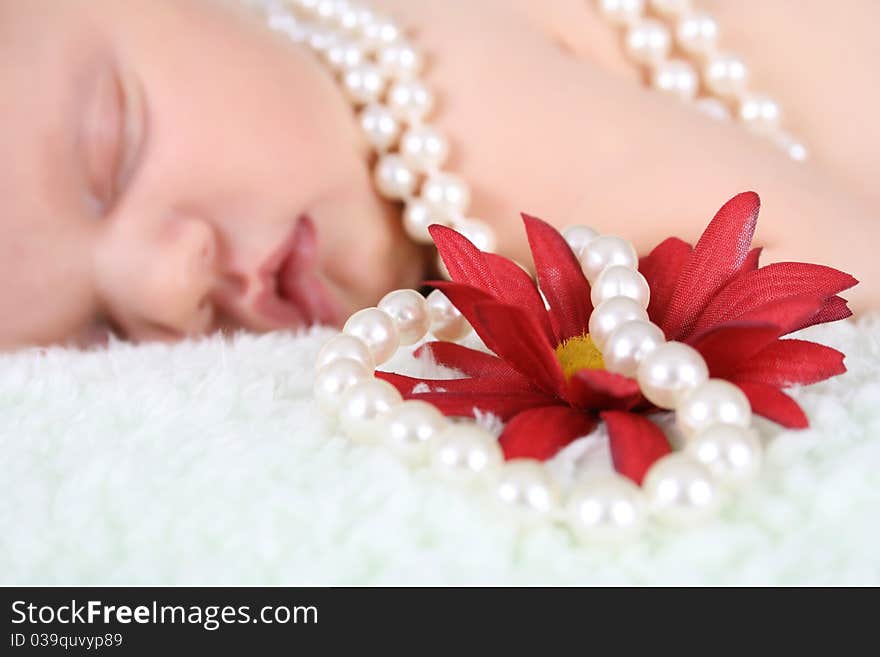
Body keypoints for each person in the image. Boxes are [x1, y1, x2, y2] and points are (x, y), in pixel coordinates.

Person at [1, 0, 876, 350]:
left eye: (113, 150)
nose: (164, 284)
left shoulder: (453, 124)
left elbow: (839, 276)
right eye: (99, 333)